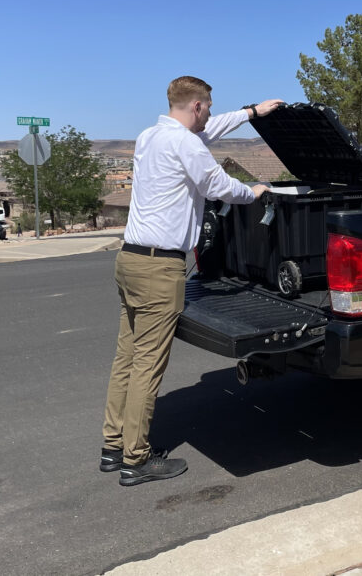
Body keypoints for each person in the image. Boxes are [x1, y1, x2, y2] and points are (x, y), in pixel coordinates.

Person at [100, 75, 282, 486]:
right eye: (210, 107)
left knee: (126, 359)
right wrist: (254, 191)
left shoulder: (151, 136)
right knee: (149, 365)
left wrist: (252, 113)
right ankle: (137, 458)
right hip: (159, 269)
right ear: (197, 105)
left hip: (129, 260)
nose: (211, 115)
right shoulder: (185, 144)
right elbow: (217, 185)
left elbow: (206, 131)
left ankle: (113, 446)